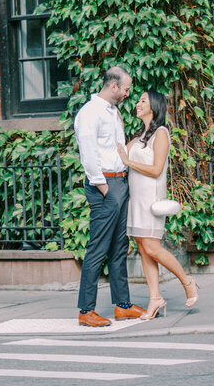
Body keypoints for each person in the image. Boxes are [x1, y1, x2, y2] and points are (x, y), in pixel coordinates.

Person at [74, 64, 146, 328]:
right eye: (126, 89)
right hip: (105, 186)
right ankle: (86, 310)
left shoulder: (113, 111)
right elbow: (88, 152)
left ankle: (123, 305)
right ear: (114, 86)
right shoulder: (90, 112)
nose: (128, 93)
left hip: (120, 183)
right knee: (98, 248)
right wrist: (103, 186)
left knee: (118, 248)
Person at [119, 90, 199, 319]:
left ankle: (187, 281)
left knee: (152, 247)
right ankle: (155, 298)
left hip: (151, 200)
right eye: (138, 100)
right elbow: (120, 153)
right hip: (135, 200)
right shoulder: (139, 135)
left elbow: (156, 170)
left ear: (154, 106)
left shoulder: (161, 133)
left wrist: (128, 162)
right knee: (143, 249)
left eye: (143, 100)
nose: (138, 103)